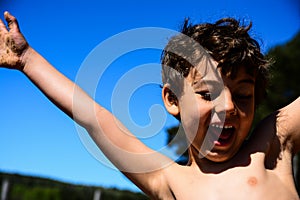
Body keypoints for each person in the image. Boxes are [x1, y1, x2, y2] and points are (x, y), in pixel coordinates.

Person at [0, 11, 299, 199]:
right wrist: (27, 60)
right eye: (208, 94)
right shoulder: (170, 180)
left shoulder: (271, 144)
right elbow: (94, 117)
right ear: (172, 100)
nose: (229, 107)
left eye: (243, 95)